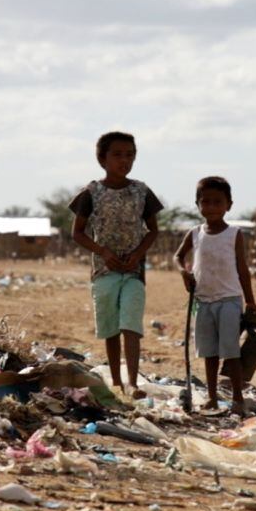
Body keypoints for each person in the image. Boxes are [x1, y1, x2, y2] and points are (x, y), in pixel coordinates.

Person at [70, 131, 163, 400]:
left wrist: (138, 254)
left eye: (130, 155)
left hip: (134, 271)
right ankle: (117, 382)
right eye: (117, 155)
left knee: (131, 325)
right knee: (111, 328)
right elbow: (77, 233)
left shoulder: (142, 192)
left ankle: (132, 382)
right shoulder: (91, 193)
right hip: (104, 271)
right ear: (102, 159)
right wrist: (103, 251)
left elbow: (153, 230)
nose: (124, 160)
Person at [174, 176, 256, 416]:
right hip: (203, 301)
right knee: (209, 352)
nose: (211, 207)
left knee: (231, 351)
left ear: (228, 205)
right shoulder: (195, 233)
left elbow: (242, 268)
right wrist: (183, 272)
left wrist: (250, 299)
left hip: (229, 299)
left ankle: (238, 399)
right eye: (206, 202)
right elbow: (178, 256)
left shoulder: (234, 234)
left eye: (217, 202)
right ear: (197, 204)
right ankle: (211, 397)